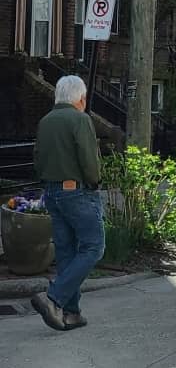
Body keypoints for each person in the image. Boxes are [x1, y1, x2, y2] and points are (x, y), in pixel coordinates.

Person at [31, 75, 104, 332]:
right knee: (94, 247)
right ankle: (53, 298)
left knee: (66, 251)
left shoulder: (45, 121)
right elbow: (89, 161)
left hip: (51, 192)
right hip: (77, 192)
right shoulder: (80, 119)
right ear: (81, 98)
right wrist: (94, 182)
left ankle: (71, 313)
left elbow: (37, 158)